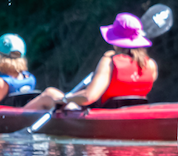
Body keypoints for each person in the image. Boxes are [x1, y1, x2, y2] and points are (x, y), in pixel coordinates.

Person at [25, 12, 158, 111]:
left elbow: (89, 97)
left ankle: (14, 117)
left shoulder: (109, 62)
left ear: (116, 43)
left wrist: (64, 99)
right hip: (134, 113)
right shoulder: (150, 64)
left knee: (50, 93)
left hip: (105, 114)